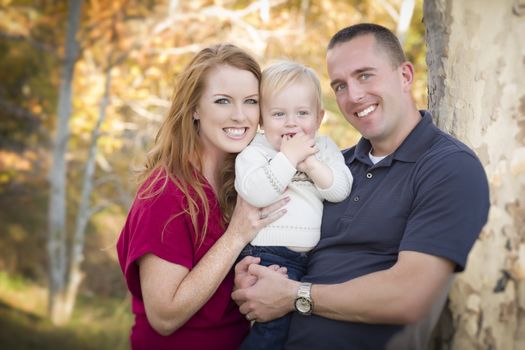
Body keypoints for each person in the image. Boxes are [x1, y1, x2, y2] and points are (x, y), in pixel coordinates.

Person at [232, 23, 490, 350]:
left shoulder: (448, 167)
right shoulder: (334, 165)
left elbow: (408, 297)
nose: (353, 95)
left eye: (366, 75)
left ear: (406, 76)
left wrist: (294, 296)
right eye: (340, 85)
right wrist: (253, 279)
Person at [116, 43, 289, 350]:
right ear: (195, 107)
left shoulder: (250, 182)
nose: (240, 116)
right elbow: (164, 316)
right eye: (223, 101)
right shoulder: (166, 193)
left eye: (250, 101)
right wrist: (236, 235)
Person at [234, 61, 353, 349]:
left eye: (302, 113)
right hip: (268, 255)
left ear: (319, 118)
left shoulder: (323, 149)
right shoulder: (254, 152)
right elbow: (256, 194)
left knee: (302, 329)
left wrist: (310, 163)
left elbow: (339, 190)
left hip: (311, 259)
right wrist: (287, 158)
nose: (291, 123)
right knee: (272, 332)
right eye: (278, 114)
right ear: (262, 120)